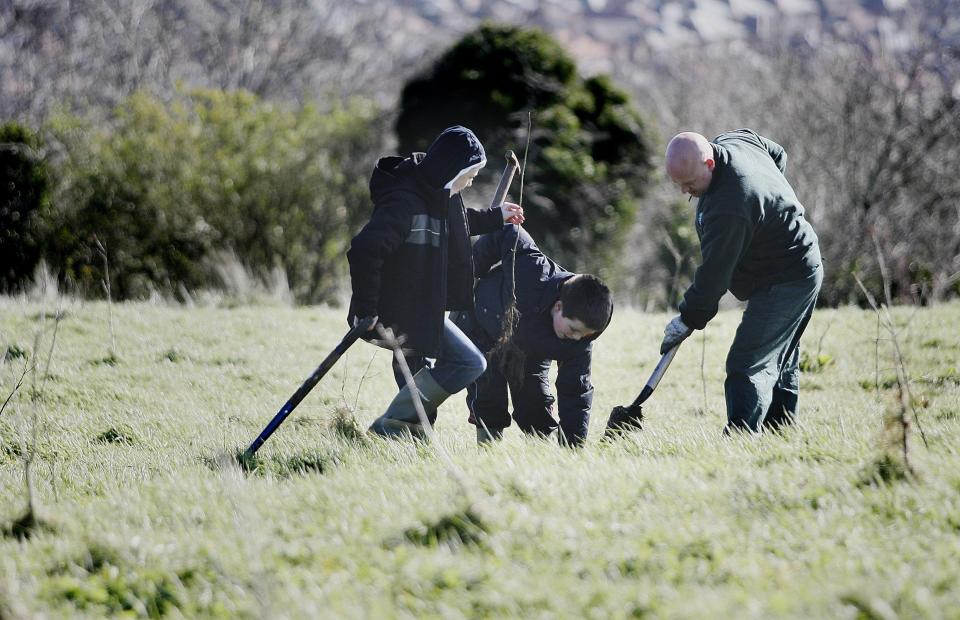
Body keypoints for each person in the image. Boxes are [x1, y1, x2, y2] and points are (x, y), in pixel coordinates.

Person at [347, 125, 524, 438]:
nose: (473, 181)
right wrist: (365, 308)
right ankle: (389, 429)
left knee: (440, 380)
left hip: (421, 310)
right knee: (469, 363)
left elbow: (459, 224)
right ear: (454, 169)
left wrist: (497, 216)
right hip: (398, 315)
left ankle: (400, 434)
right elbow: (364, 250)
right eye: (471, 174)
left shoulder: (439, 194)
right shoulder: (405, 202)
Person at [660, 129, 822, 433]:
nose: (685, 192)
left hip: (789, 276)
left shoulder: (730, 207)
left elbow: (714, 278)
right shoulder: (737, 139)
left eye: (690, 184)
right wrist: (771, 206)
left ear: (709, 163)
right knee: (778, 357)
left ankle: (740, 438)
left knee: (746, 363)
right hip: (796, 262)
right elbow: (777, 154)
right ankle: (781, 431)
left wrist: (686, 319)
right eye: (679, 185)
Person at [453, 225, 613, 447]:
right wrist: (472, 270)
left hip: (529, 350)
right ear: (559, 307)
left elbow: (575, 391)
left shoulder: (581, 339)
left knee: (534, 404)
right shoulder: (532, 272)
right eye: (573, 330)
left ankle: (540, 453)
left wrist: (573, 447)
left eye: (585, 336)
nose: (576, 339)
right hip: (482, 325)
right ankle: (487, 453)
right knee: (488, 395)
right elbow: (508, 231)